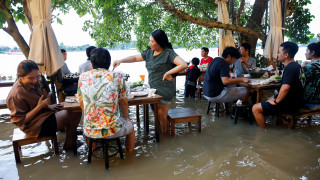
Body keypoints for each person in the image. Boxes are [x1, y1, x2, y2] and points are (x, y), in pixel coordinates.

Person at [113, 29, 187, 134]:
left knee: (162, 117)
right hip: (152, 89)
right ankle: (162, 136)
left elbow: (183, 64)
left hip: (165, 89)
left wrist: (167, 73)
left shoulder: (168, 53)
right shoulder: (149, 53)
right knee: (156, 115)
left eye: (152, 41)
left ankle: (166, 140)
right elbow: (134, 57)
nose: (150, 43)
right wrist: (121, 60)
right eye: (150, 40)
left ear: (160, 42)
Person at [6, 60, 81, 149]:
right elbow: (20, 121)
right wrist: (39, 107)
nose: (35, 80)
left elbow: (38, 102)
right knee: (75, 111)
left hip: (43, 115)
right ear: (20, 77)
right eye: (30, 78)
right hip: (35, 127)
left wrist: (49, 106)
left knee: (71, 104)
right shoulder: (16, 94)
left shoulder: (34, 83)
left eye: (37, 76)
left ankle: (71, 137)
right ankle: (69, 142)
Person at [76, 48, 135, 152]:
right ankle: (130, 155)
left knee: (88, 126)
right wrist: (126, 118)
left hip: (90, 130)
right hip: (113, 130)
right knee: (131, 126)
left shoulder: (82, 77)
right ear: (109, 63)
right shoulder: (117, 76)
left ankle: (92, 152)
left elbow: (81, 102)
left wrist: (91, 118)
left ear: (92, 64)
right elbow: (124, 102)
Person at [252, 42, 305, 128]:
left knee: (255, 108)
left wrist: (276, 101)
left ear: (286, 54)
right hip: (296, 101)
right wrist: (274, 98)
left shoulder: (290, 68)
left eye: (279, 52)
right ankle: (284, 123)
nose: (278, 54)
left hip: (290, 105)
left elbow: (286, 87)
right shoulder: (296, 66)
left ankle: (263, 133)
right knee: (268, 101)